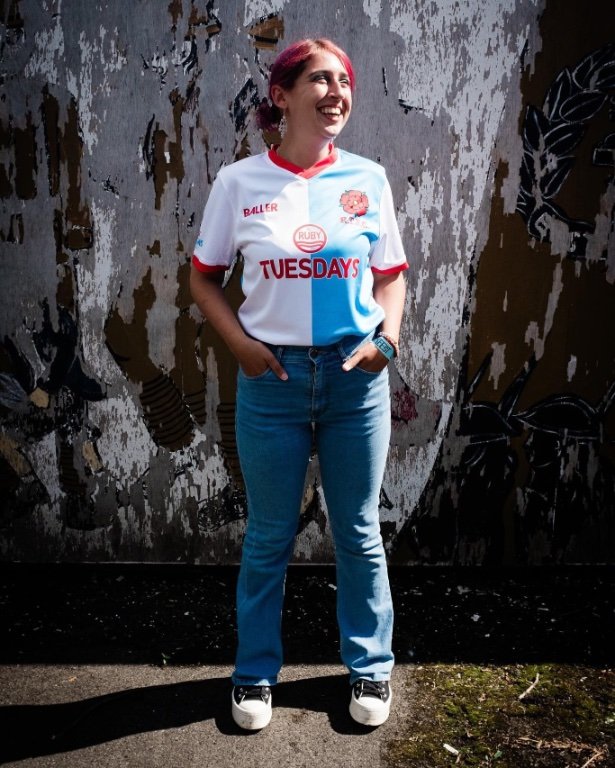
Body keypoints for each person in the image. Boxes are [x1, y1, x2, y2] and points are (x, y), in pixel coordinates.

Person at [190, 37, 408, 731]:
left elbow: (390, 276)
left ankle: (370, 667)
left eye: (344, 80)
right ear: (281, 96)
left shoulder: (368, 179)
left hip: (353, 381)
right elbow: (203, 278)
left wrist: (386, 342)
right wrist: (241, 347)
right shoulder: (239, 184)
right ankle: (254, 676)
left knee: (358, 532)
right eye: (320, 79)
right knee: (268, 536)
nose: (337, 92)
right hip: (273, 382)